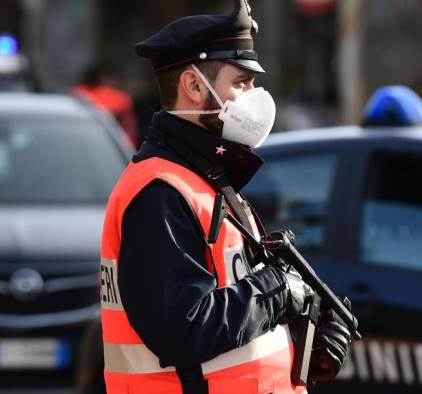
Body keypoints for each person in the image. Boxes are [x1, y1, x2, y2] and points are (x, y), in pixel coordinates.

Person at [99, 1, 352, 393]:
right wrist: (278, 291)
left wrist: (308, 327)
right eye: (241, 82)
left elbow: (237, 320)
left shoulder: (208, 178)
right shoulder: (160, 192)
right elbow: (181, 328)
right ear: (194, 85)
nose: (254, 96)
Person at [73, 66, 140, 148]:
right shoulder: (119, 97)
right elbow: (129, 127)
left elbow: (129, 126)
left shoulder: (78, 93)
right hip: (110, 144)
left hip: (86, 142)